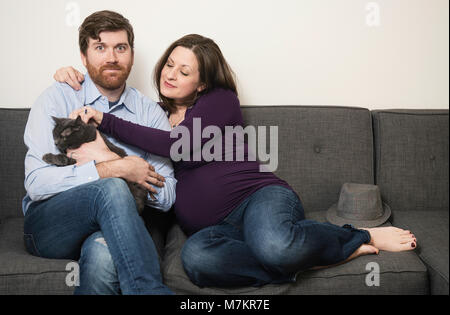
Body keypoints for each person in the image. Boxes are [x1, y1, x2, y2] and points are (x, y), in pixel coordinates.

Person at [55, 34, 418, 288]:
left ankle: (358, 237)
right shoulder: (151, 113)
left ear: (201, 84)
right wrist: (71, 76)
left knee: (275, 244)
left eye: (184, 71)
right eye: (169, 64)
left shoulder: (219, 101)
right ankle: (308, 259)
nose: (170, 74)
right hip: (213, 231)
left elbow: (177, 145)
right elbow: (117, 114)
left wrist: (105, 119)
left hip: (259, 199)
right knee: (198, 262)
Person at [23, 10, 176, 295]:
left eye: (120, 47)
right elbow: (36, 183)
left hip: (123, 225)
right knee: (112, 187)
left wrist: (109, 158)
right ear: (83, 57)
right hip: (51, 224)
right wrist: (117, 169)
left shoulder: (150, 114)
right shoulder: (57, 98)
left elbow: (168, 196)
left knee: (103, 257)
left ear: (131, 53)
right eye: (100, 47)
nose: (112, 57)